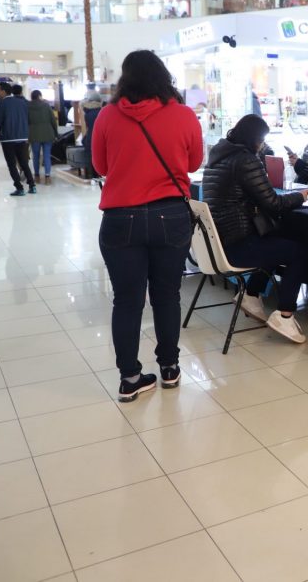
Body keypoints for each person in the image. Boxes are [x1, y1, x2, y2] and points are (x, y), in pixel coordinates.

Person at [92, 50, 204, 403]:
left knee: (127, 301)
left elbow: (100, 166)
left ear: (124, 78)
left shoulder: (107, 115)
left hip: (119, 218)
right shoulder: (183, 114)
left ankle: (130, 379)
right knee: (167, 295)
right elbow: (194, 162)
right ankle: (170, 368)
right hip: (169, 215)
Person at [202, 114, 308, 343]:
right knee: (298, 251)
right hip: (238, 245)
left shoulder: (218, 156)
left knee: (275, 238)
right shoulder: (245, 160)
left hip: (219, 244)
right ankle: (285, 315)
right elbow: (273, 203)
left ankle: (251, 295)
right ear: (255, 139)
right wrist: (301, 196)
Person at [0, 82, 36, 196]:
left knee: (12, 164)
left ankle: (19, 188)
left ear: (3, 91)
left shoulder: (0, 104)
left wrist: (1, 129)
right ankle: (32, 186)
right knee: (24, 162)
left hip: (8, 138)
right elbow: (28, 118)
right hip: (22, 137)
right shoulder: (22, 103)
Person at [27, 89, 58, 183]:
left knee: (35, 156)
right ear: (39, 96)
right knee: (47, 155)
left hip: (34, 134)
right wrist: (55, 133)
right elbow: (53, 120)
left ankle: (37, 177)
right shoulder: (46, 105)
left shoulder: (28, 107)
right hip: (47, 133)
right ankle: (47, 177)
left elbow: (26, 121)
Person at [81, 88, 103, 177]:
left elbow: (88, 127)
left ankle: (94, 177)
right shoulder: (102, 112)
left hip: (90, 139)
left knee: (92, 161)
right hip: (101, 139)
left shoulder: (87, 113)